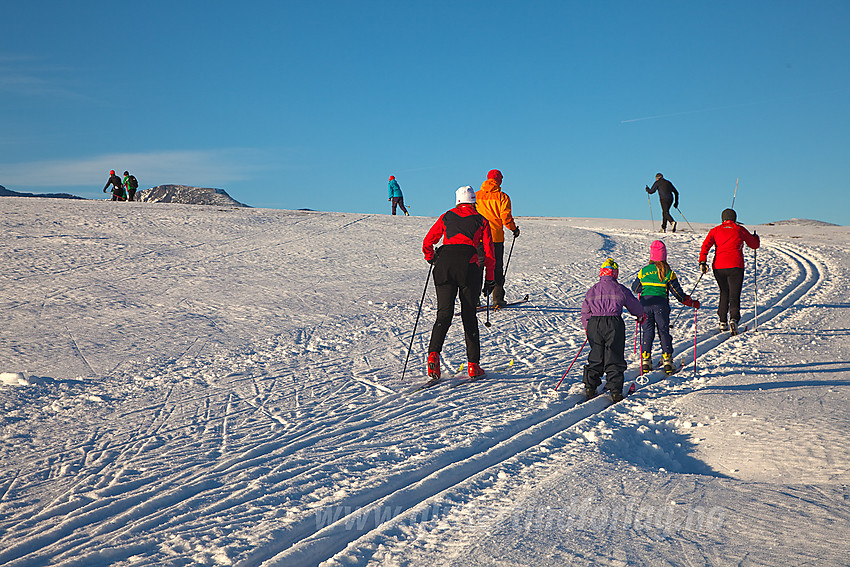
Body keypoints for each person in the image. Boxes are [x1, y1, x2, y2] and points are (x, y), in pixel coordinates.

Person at [422, 186, 495, 383]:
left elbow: (427, 242)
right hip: (468, 267)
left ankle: (433, 356)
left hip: (444, 266)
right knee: (468, 315)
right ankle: (473, 365)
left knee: (443, 314)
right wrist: (490, 278)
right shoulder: (481, 220)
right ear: (473, 202)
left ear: (457, 201)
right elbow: (489, 253)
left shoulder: (446, 216)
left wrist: (431, 258)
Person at [632, 240, 701, 374]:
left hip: (645, 305)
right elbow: (678, 294)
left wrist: (646, 287)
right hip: (661, 306)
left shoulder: (643, 271)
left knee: (648, 331)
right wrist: (691, 302)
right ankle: (668, 361)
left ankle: (646, 360)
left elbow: (635, 288)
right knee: (663, 331)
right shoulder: (668, 272)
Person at [581, 258, 645, 402]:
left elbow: (585, 311)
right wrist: (640, 315)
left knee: (596, 354)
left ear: (601, 273)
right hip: (614, 323)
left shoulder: (593, 290)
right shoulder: (620, 289)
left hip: (594, 323)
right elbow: (634, 305)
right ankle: (615, 390)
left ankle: (590, 386)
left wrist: (587, 328)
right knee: (614, 355)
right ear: (615, 274)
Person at [699, 208, 760, 335]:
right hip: (735, 266)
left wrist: (702, 261)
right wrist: (756, 238)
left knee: (724, 291)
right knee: (734, 294)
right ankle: (734, 319)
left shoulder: (715, 230)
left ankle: (722, 320)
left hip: (719, 267)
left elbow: (706, 245)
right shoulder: (740, 229)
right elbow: (754, 245)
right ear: (734, 218)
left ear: (722, 218)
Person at [475, 169, 519, 307]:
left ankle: (474, 299)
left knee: (477, 267)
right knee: (496, 267)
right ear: (499, 180)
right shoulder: (502, 197)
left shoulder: (476, 196)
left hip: (479, 237)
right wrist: (514, 229)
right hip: (495, 237)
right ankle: (497, 299)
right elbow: (505, 218)